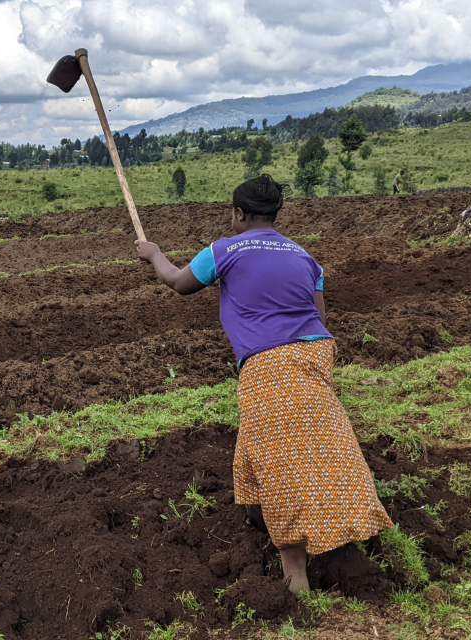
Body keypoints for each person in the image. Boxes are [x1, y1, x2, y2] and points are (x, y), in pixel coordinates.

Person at [135, 174, 392, 594]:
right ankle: (317, 529)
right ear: (276, 213)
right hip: (314, 355)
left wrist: (154, 253)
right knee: (299, 447)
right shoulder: (305, 257)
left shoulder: (224, 249)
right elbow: (319, 319)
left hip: (270, 364)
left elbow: (179, 283)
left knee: (280, 461)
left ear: (238, 213)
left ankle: (296, 574)